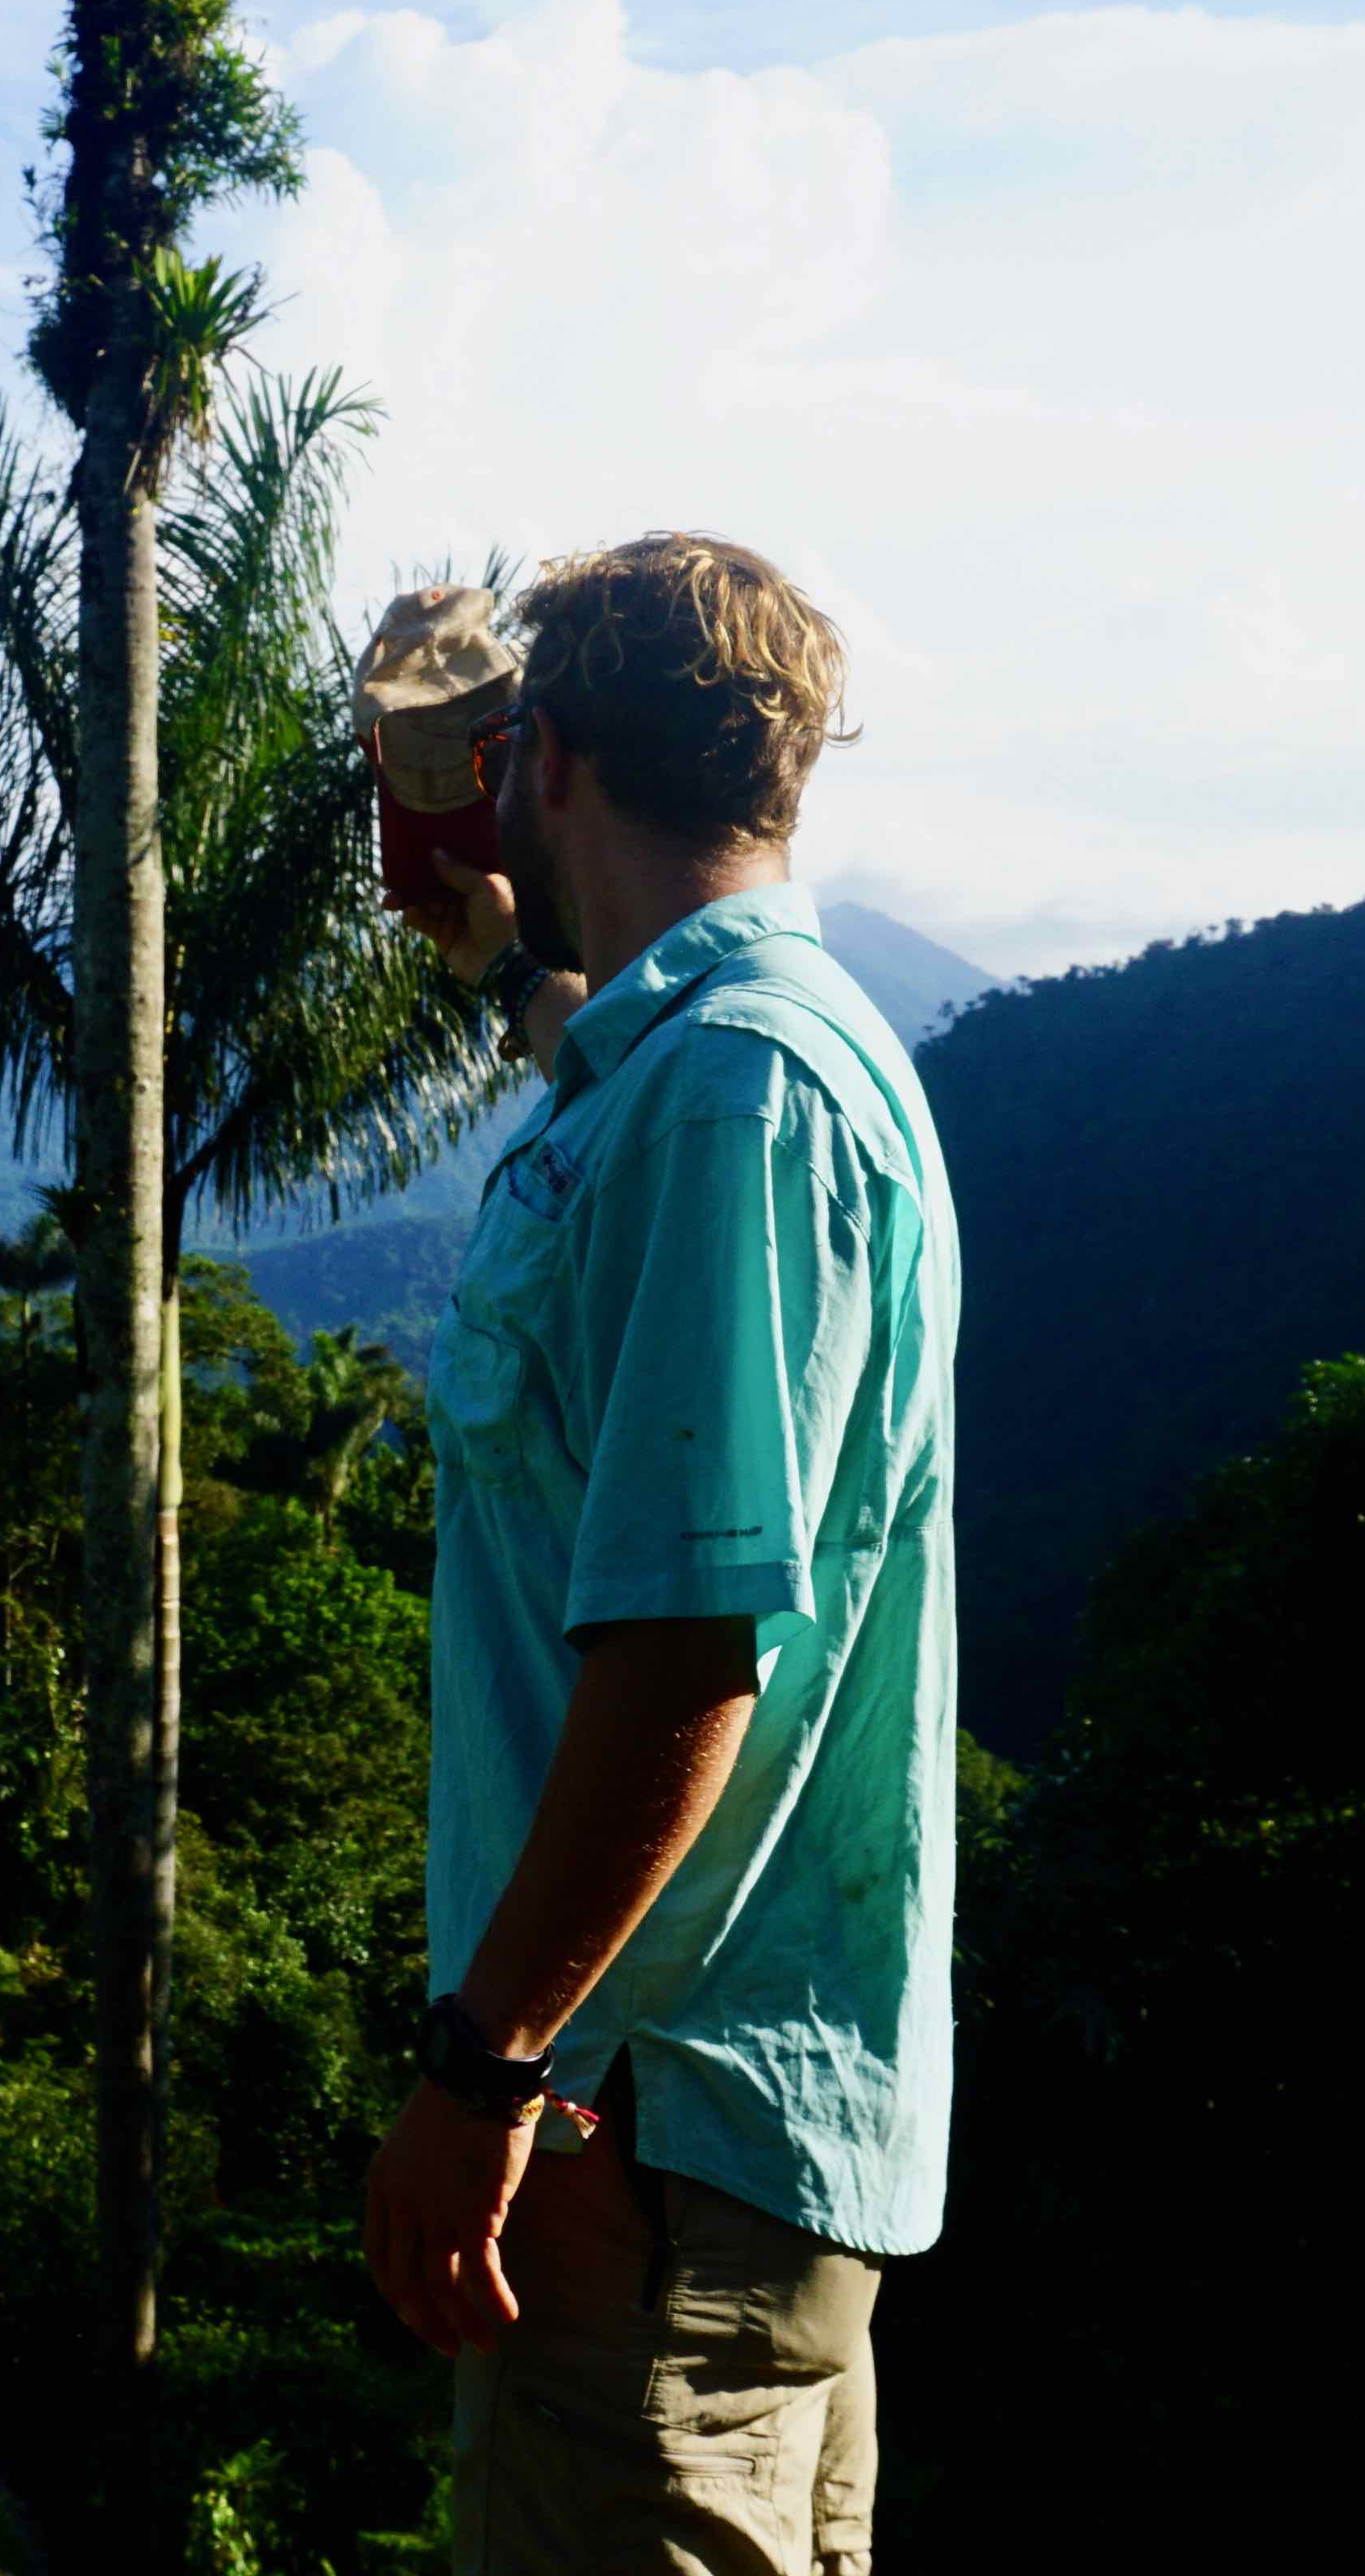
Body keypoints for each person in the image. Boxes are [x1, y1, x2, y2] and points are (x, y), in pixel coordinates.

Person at [364, 533, 959, 2576]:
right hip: (719, 2164)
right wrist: (522, 986)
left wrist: (487, 2064)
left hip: (647, 2158)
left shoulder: (733, 1097)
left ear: (540, 758)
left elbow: (690, 1647)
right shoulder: (749, 1052)